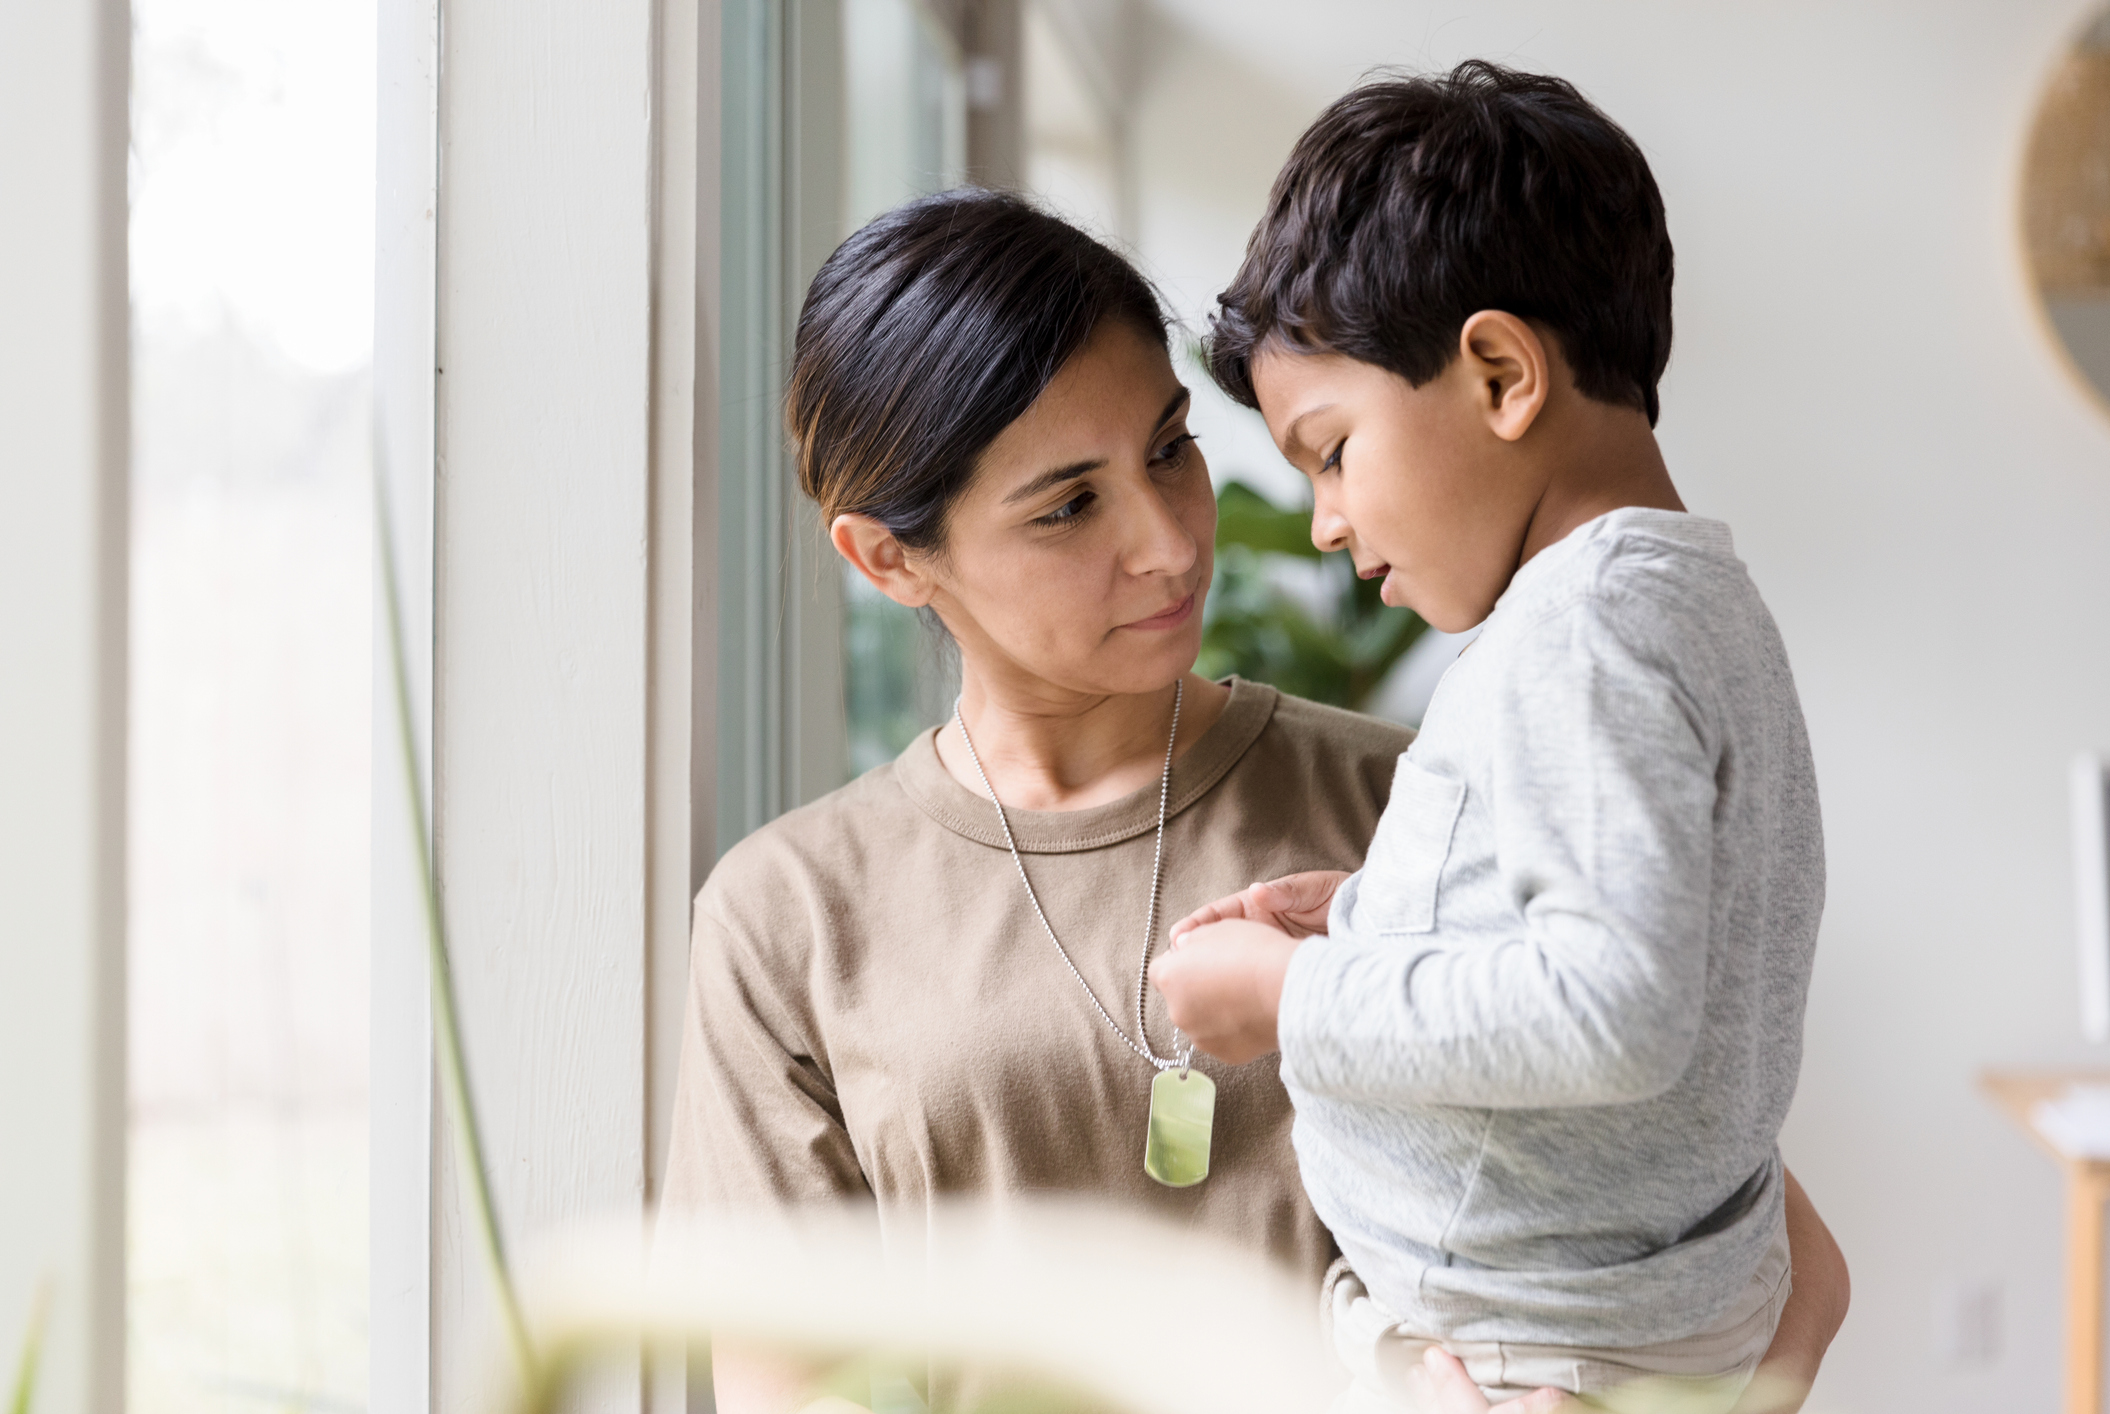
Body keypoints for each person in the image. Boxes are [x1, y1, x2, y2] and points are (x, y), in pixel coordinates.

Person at [661, 187, 1847, 1414]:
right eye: (1070, 505)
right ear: (890, 558)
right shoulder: (785, 919)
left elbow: (1778, 1253)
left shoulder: (1409, 800)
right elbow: (787, 1387)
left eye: (1170, 450)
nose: (1170, 542)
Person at [1150, 63, 1827, 1413]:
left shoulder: (1580, 633)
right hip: (1588, 1330)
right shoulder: (1678, 600)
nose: (1327, 519)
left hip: (1527, 1362)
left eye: (1331, 449)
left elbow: (1608, 1008)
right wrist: (1376, 912)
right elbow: (1640, 916)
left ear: (1501, 374)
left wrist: (1289, 1000)